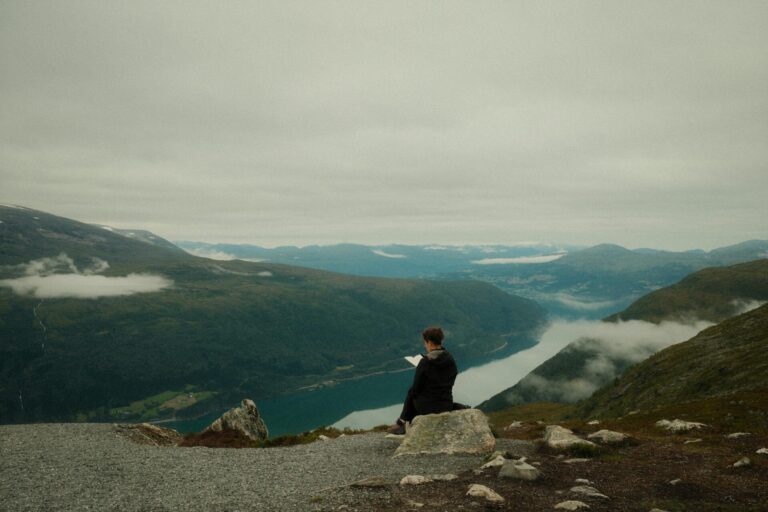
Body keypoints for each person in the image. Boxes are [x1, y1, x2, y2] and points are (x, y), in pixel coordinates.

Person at [386, 326, 458, 435]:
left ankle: (402, 424)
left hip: (428, 407)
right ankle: (404, 424)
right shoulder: (449, 358)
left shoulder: (425, 362)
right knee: (417, 394)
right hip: (446, 403)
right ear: (441, 340)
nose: (425, 345)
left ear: (429, 342)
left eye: (425, 342)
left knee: (411, 392)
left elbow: (416, 388)